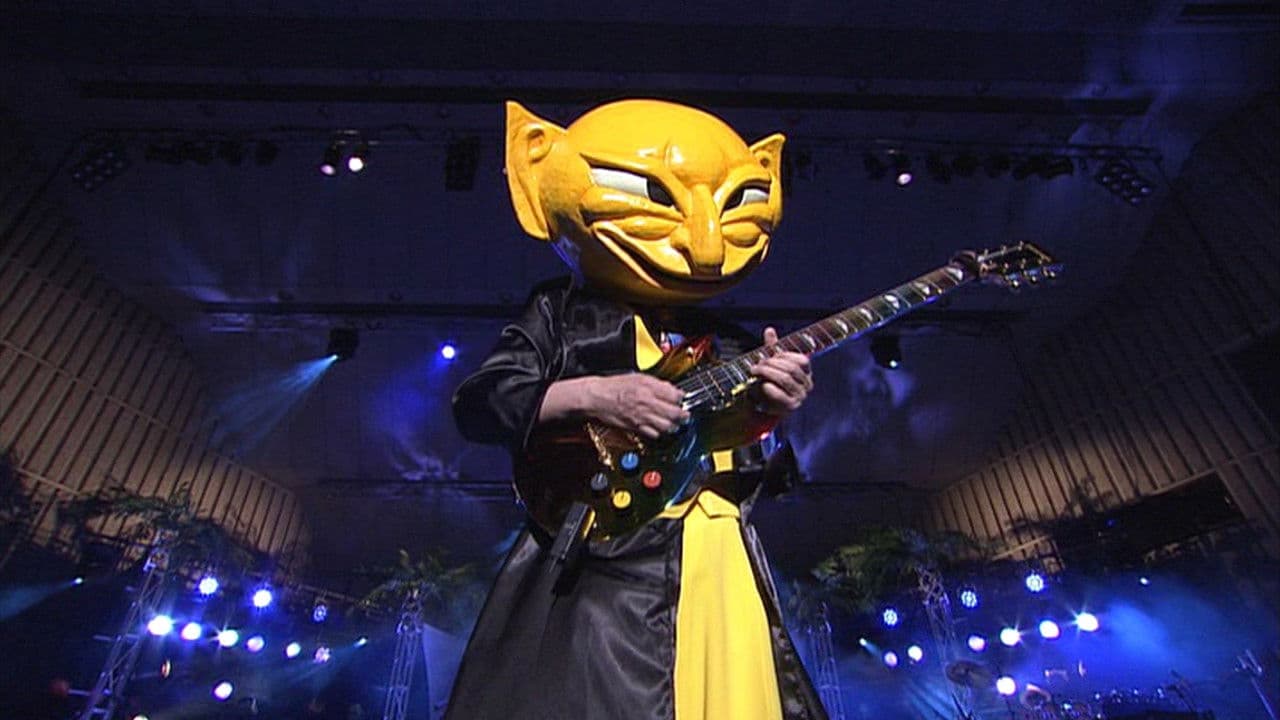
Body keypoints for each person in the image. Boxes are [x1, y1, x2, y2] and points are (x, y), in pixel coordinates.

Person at [444, 99, 828, 720]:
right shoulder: (562, 315)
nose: (706, 244)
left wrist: (770, 415)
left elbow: (764, 471)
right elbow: (480, 404)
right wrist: (594, 393)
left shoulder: (732, 343)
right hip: (604, 561)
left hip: (719, 556)